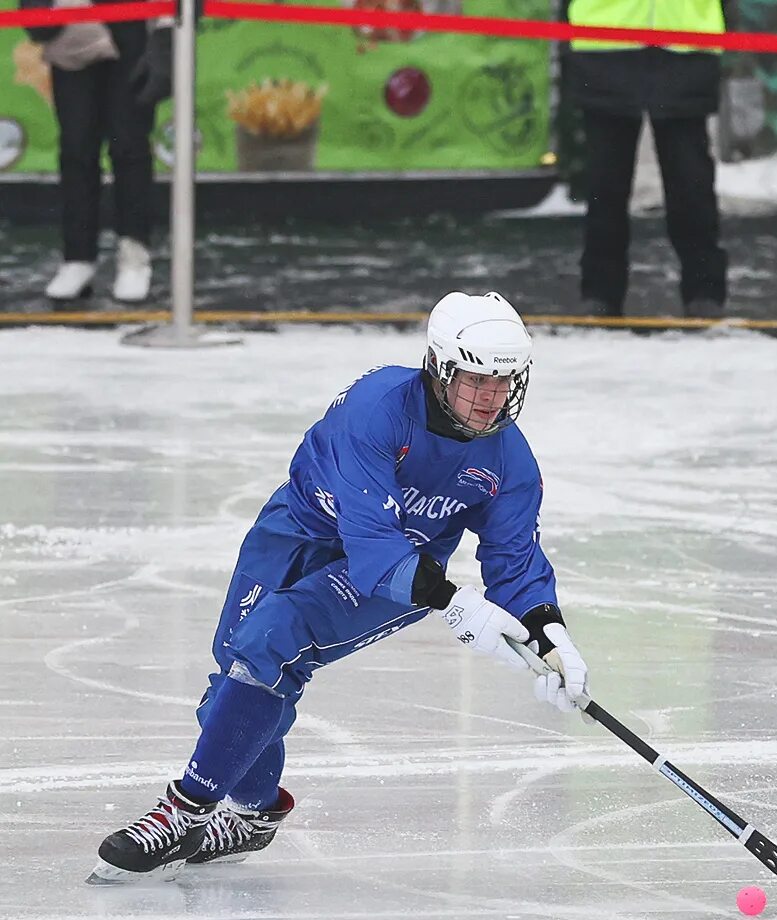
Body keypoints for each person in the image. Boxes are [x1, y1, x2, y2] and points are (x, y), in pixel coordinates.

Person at [88, 292, 590, 884]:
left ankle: (182, 811)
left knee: (272, 642)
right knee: (233, 680)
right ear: (440, 369)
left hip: (395, 571)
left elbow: (514, 558)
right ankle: (254, 813)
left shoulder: (510, 460)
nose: (491, 397)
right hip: (299, 530)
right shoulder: (377, 406)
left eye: (504, 380)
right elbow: (370, 530)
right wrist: (456, 603)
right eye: (476, 379)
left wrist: (549, 632)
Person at [563, 0, 729, 319]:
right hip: (606, 40)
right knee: (605, 183)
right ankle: (599, 291)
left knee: (690, 182)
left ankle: (704, 291)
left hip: (685, 42)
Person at [22, 0, 172, 303]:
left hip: (133, 27)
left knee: (128, 145)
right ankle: (77, 258)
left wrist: (167, 34)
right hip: (69, 30)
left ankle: (134, 255)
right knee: (77, 147)